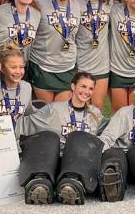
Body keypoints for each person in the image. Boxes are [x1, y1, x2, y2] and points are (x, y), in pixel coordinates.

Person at [19, 71, 105, 205]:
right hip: (55, 161)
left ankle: (73, 185)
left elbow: (111, 131)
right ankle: (41, 184)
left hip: (81, 165)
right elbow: (24, 123)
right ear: (73, 86)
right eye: (83, 86)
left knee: (81, 139)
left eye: (90, 88)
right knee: (48, 137)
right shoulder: (53, 109)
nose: (86, 91)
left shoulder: (95, 114)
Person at [28, 0, 82, 102]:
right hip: (43, 67)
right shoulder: (38, 4)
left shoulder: (77, 6)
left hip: (67, 67)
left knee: (61, 115)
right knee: (46, 115)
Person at [73, 0, 113, 110]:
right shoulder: (75, 2)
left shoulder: (109, 2)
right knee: (78, 108)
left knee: (96, 109)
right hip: (81, 66)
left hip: (102, 67)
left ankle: (93, 135)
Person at [0, 44, 33, 134]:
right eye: (13, 67)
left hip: (15, 144)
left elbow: (29, 113)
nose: (18, 71)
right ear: (2, 69)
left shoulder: (27, 87)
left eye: (21, 67)